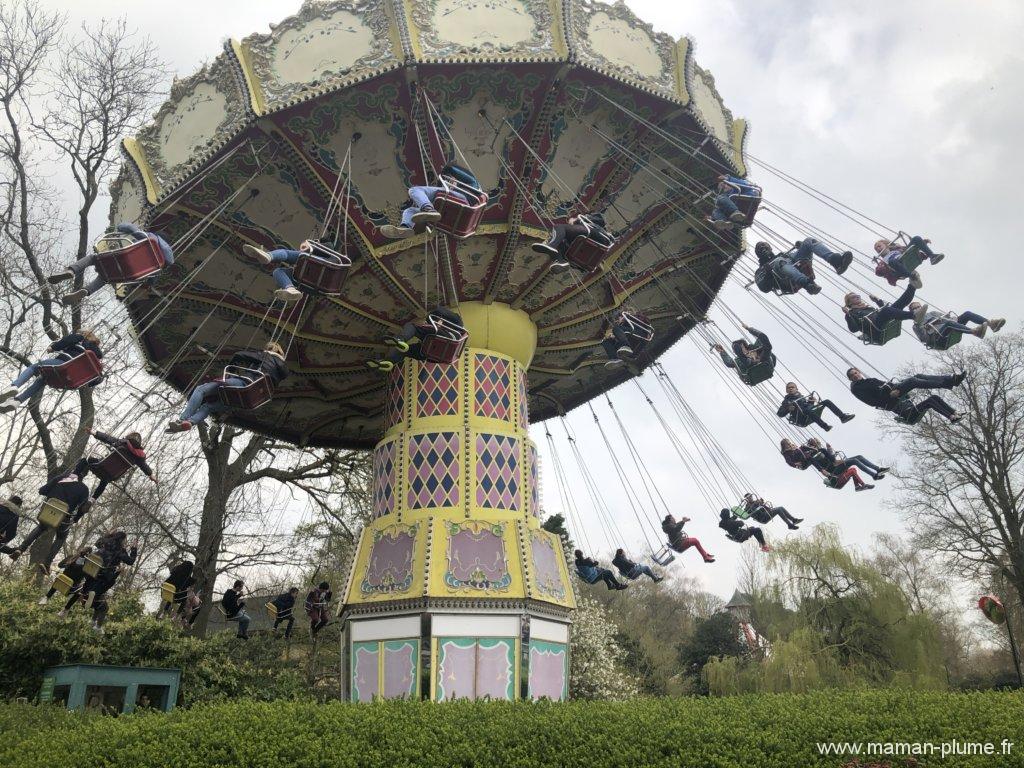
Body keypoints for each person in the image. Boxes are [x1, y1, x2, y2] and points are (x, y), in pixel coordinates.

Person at [167, 341, 289, 432]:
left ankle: (182, 419)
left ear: (270, 349)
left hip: (245, 385)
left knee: (201, 390)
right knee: (208, 407)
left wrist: (232, 367)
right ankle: (190, 422)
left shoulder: (266, 356)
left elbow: (239, 355)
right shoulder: (282, 371)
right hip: (248, 401)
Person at [48, 223, 175, 305]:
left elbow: (128, 227)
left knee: (93, 258)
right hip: (129, 274)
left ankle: (71, 271)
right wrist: (149, 284)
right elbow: (152, 278)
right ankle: (85, 292)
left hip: (121, 258)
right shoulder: (164, 262)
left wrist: (120, 227)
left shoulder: (149, 238)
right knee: (104, 279)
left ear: (159, 236)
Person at [0, 331, 103, 411]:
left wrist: (53, 348)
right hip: (69, 379)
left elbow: (66, 341)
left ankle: (14, 386)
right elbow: (95, 379)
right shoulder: (95, 359)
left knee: (34, 367)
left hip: (63, 364)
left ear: (84, 334)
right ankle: (16, 401)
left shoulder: (80, 338)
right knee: (42, 380)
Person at [7, 470, 92, 563]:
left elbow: (42, 491)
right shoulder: (84, 489)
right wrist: (76, 519)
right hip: (63, 518)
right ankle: (47, 562)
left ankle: (21, 549)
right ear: (84, 476)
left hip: (47, 510)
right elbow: (82, 508)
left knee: (41, 527)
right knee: (61, 537)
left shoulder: (61, 478)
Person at [381, 164, 481, 239]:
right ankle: (405, 227)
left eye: (451, 180)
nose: (449, 183)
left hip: (461, 199)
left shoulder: (470, 185)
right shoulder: (448, 194)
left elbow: (453, 170)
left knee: (414, 190)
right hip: (447, 210)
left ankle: (429, 209)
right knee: (410, 211)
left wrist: (445, 171)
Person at [847, 366, 965, 425]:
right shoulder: (858, 389)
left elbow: (887, 384)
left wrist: (899, 388)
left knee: (918, 378)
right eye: (852, 376)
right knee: (912, 382)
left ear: (859, 372)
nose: (855, 376)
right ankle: (947, 384)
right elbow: (873, 402)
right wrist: (891, 395)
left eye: (856, 373)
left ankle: (953, 412)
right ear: (851, 379)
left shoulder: (870, 380)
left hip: (894, 394)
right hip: (892, 403)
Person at [242, 239, 345, 302]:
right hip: (314, 282)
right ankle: (290, 288)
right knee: (278, 271)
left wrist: (309, 245)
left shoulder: (328, 248)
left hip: (317, 263)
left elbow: (314, 248)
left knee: (286, 253)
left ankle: (269, 256)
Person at [367, 306, 465, 372]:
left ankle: (400, 339)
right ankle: (388, 362)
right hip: (434, 355)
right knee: (405, 350)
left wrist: (433, 313)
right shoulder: (458, 326)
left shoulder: (455, 321)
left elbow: (439, 311)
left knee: (412, 326)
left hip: (444, 338)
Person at [76, 430, 156, 499]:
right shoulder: (139, 456)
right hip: (112, 475)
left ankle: (74, 476)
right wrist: (151, 475)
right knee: (104, 481)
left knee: (85, 461)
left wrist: (94, 433)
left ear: (129, 437)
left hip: (101, 465)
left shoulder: (122, 443)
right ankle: (93, 499)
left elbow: (107, 438)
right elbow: (144, 466)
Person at [530, 212, 614, 269]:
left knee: (559, 227)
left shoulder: (593, 218)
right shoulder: (576, 236)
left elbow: (601, 220)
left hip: (596, 234)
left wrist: (577, 219)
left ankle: (551, 245)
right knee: (561, 242)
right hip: (590, 241)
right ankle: (560, 261)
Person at [843, 287, 926, 338]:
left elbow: (882, 311)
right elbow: (854, 329)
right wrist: (848, 315)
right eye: (854, 297)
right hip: (874, 329)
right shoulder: (852, 313)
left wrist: (877, 301)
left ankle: (912, 286)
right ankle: (914, 315)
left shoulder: (867, 307)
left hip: (880, 322)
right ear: (849, 303)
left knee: (898, 304)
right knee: (887, 310)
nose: (857, 297)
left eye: (858, 296)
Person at [909, 303, 1005, 346]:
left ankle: (991, 324)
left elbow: (948, 318)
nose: (918, 308)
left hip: (950, 325)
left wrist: (952, 319)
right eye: (915, 308)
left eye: (919, 306)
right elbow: (924, 339)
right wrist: (924, 327)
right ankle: (975, 332)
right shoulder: (916, 325)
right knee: (948, 323)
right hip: (938, 337)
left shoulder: (932, 313)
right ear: (912, 312)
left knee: (967, 314)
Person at [803, 437, 888, 482]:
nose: (819, 443)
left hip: (836, 464)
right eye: (817, 442)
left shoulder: (822, 450)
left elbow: (831, 456)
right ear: (813, 445)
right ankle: (874, 475)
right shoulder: (815, 454)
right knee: (854, 461)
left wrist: (829, 449)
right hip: (834, 470)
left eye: (818, 442)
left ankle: (878, 469)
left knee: (859, 457)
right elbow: (831, 461)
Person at [776, 382, 854, 431]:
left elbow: (808, 406)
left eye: (792, 387)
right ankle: (825, 426)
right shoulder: (786, 401)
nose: (790, 389)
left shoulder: (802, 397)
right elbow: (779, 414)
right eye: (788, 388)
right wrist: (788, 409)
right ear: (786, 391)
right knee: (807, 411)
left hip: (808, 411)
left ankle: (842, 417)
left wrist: (811, 402)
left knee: (826, 401)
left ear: (796, 389)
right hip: (800, 417)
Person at [873, 235, 944, 287]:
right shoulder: (882, 262)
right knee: (892, 261)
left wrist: (923, 242)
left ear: (886, 245)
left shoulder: (897, 249)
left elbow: (911, 248)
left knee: (916, 238)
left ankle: (933, 256)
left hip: (905, 257)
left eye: (879, 246)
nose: (878, 249)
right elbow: (878, 272)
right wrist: (881, 267)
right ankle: (911, 276)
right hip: (897, 268)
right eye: (876, 249)